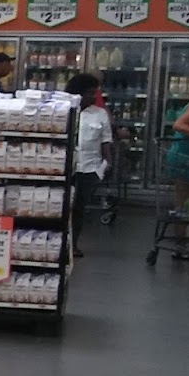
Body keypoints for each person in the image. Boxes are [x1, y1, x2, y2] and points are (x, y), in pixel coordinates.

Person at [67, 72, 113, 256]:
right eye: (90, 93)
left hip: (89, 167)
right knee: (64, 206)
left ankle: (74, 244)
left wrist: (107, 163)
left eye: (95, 93)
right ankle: (59, 243)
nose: (93, 97)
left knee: (79, 207)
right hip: (65, 167)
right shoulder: (65, 110)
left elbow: (106, 140)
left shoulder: (100, 114)